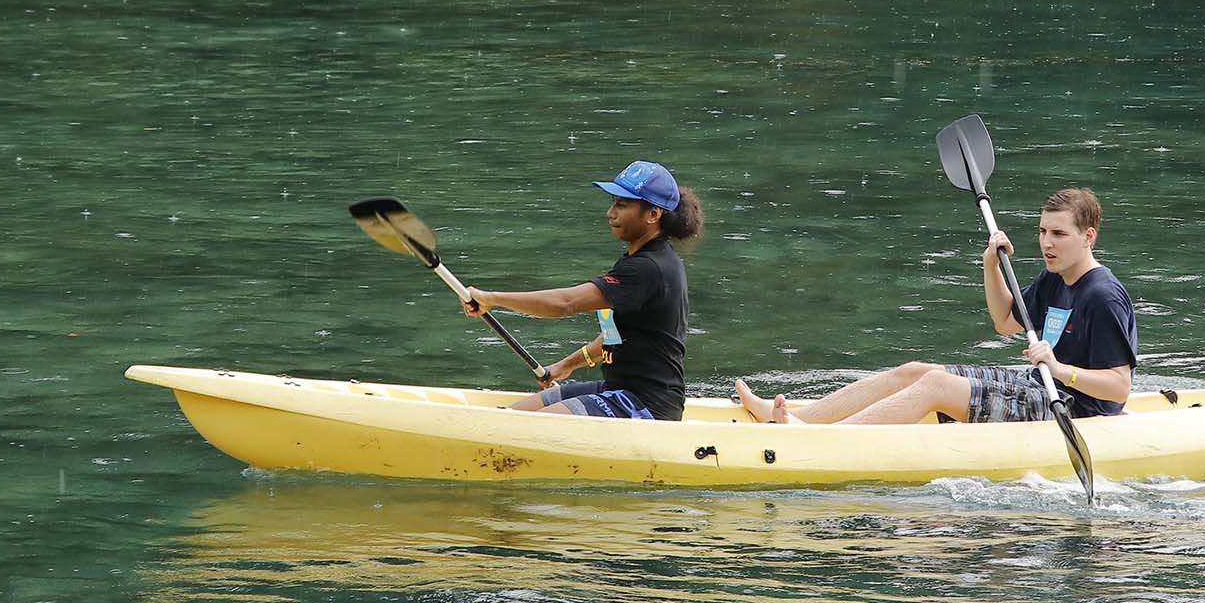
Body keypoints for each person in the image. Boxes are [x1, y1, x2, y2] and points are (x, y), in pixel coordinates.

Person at [736, 187, 1136, 425]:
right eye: (1042, 231)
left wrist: (1060, 369)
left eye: (1059, 234)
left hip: (1073, 412)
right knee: (914, 371)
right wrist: (990, 264)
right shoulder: (1054, 277)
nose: (1046, 243)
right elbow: (1003, 321)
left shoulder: (1102, 295)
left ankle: (820, 441)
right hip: (1038, 387)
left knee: (936, 386)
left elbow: (1119, 386)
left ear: (1088, 236)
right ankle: (792, 418)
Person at [464, 160, 702, 420]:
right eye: (612, 202)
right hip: (617, 390)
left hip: (646, 405)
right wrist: (567, 365)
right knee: (509, 416)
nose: (610, 213)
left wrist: (492, 299)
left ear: (653, 215)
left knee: (520, 426)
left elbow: (566, 303)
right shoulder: (638, 260)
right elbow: (615, 336)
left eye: (622, 205)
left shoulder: (648, 268)